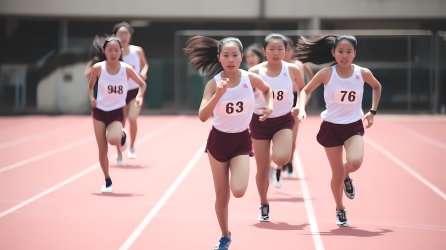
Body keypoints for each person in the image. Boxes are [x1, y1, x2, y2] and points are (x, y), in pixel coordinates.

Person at [184, 36, 273, 249]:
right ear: (219, 58)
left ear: (242, 57)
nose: (231, 59)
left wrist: (269, 106)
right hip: (218, 141)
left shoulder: (250, 79)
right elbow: (203, 116)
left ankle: (226, 232)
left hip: (241, 140)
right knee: (222, 195)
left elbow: (267, 90)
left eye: (235, 55)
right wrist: (218, 95)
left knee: (239, 190)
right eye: (226, 55)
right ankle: (225, 236)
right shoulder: (213, 84)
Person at [297, 35, 382, 226]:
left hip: (353, 126)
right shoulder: (327, 74)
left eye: (348, 52)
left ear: (355, 54)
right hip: (331, 127)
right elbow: (305, 91)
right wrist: (301, 108)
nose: (344, 55)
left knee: (355, 162)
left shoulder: (362, 73)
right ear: (333, 53)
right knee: (335, 174)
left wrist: (372, 111)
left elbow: (377, 86)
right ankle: (339, 208)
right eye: (340, 51)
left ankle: (346, 176)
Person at [248, 33, 304, 222]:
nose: (276, 52)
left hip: (283, 120)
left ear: (286, 50)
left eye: (280, 48)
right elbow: (245, 95)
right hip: (260, 121)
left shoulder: (293, 69)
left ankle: (278, 164)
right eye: (271, 48)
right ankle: (264, 203)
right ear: (264, 51)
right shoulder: (255, 71)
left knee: (282, 156)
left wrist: (300, 105)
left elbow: (302, 90)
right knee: (262, 170)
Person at [87, 36, 147, 193]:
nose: (113, 53)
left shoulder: (126, 69)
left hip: (116, 113)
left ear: (121, 51)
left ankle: (121, 136)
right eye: (109, 50)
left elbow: (142, 83)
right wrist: (92, 98)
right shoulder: (98, 68)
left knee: (112, 138)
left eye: (116, 50)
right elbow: (90, 86)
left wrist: (139, 96)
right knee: (102, 149)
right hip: (99, 112)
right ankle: (107, 180)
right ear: (103, 51)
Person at [112, 21, 149, 164]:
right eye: (120, 33)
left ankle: (132, 146)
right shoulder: (113, 53)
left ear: (130, 35)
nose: (123, 36)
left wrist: (144, 72)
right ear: (115, 36)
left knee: (132, 118)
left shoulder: (137, 50)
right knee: (120, 123)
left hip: (135, 90)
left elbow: (145, 64)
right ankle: (119, 153)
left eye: (126, 33)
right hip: (119, 92)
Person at [282, 36, 314, 177]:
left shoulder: (299, 65)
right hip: (280, 100)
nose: (284, 52)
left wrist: (308, 92)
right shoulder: (276, 65)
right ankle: (280, 161)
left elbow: (308, 71)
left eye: (287, 49)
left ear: (292, 51)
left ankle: (289, 163)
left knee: (292, 138)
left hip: (295, 100)